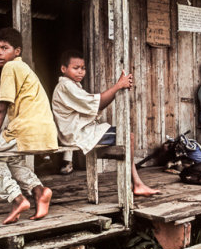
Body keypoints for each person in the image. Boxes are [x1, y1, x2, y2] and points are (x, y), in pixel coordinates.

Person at [0, 28, 57, 224]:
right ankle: (39, 191)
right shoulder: (24, 68)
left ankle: (17, 198)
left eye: (5, 48)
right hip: (43, 131)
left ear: (17, 51)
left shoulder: (11, 68)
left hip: (25, 130)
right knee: (12, 161)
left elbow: (1, 109)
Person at [51, 50, 159, 196]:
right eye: (75, 68)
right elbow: (98, 103)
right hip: (77, 134)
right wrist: (118, 86)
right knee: (128, 136)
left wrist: (118, 87)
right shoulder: (66, 86)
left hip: (82, 131)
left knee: (127, 135)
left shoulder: (73, 85)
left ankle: (137, 183)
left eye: (83, 68)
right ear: (64, 69)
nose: (80, 72)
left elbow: (95, 105)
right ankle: (137, 183)